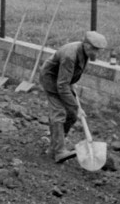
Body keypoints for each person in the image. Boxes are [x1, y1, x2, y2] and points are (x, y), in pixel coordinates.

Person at [40, 31, 108, 163]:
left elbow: (68, 78)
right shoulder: (70, 55)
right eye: (94, 50)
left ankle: (56, 143)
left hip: (63, 81)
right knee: (59, 112)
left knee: (72, 115)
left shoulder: (84, 52)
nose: (96, 53)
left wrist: (72, 86)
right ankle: (59, 151)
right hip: (51, 80)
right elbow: (61, 86)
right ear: (86, 45)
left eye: (98, 50)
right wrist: (77, 107)